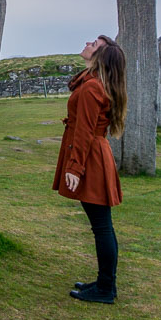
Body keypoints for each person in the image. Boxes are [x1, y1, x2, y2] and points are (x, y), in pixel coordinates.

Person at [53, 35, 127, 304]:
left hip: (91, 158)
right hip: (95, 154)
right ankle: (105, 283)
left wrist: (75, 168)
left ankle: (106, 288)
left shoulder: (91, 88)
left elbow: (84, 131)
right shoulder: (93, 84)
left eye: (94, 44)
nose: (88, 43)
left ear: (100, 57)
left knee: (102, 227)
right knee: (102, 226)